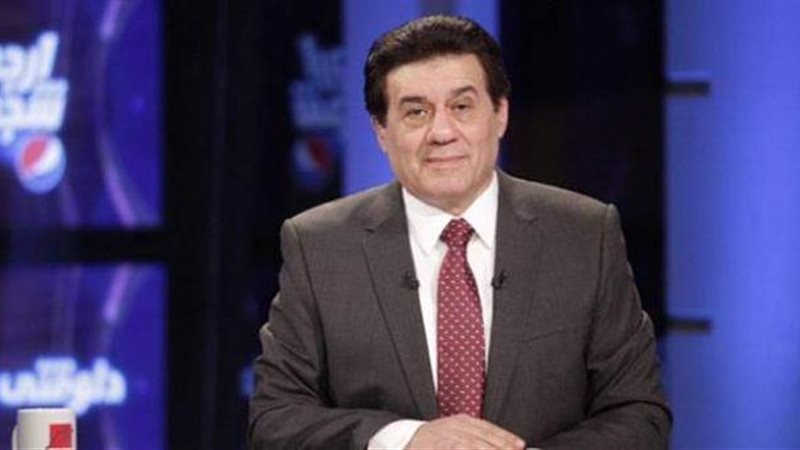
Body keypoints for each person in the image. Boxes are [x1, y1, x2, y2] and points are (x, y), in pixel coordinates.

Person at [249, 15, 671, 450]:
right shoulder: (320, 246)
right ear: (381, 131)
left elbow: (639, 412)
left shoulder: (584, 234)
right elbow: (275, 419)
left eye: (462, 107)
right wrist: (405, 439)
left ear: (500, 114)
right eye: (416, 112)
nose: (442, 133)